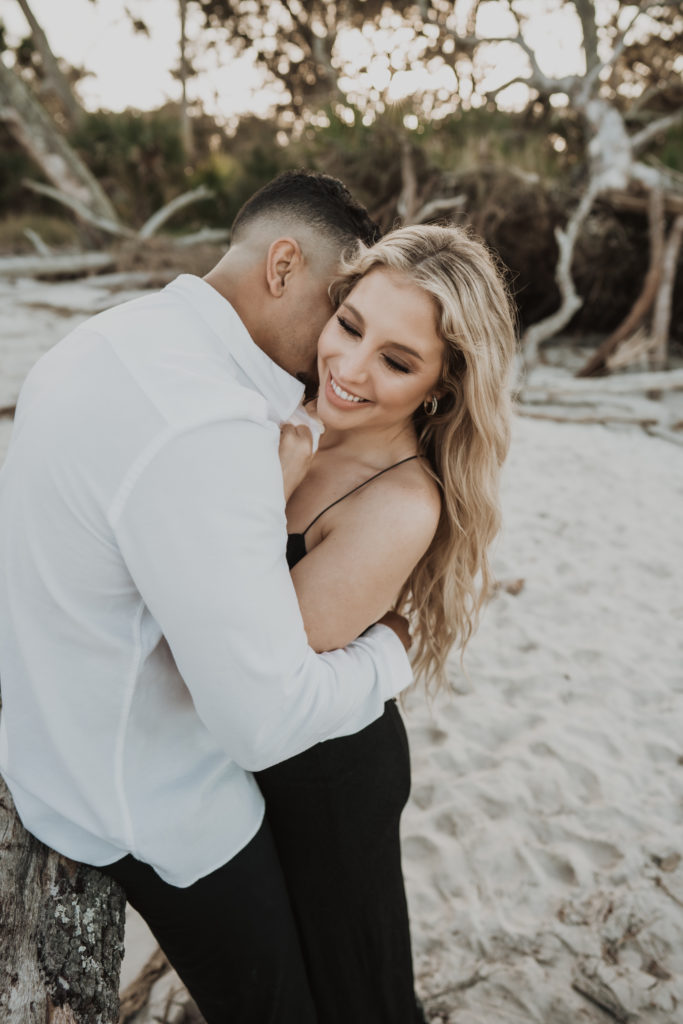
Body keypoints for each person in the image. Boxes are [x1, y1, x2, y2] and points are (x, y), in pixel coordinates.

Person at [0, 171, 415, 1024]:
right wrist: (389, 655)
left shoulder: (113, 336)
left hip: (52, 737)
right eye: (340, 310)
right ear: (282, 265)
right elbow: (258, 721)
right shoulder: (207, 423)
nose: (335, 352)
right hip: (157, 801)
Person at [257, 223, 516, 1023]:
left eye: (397, 362)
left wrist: (264, 491)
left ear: (440, 386)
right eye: (350, 325)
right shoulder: (282, 396)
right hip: (242, 766)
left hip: (325, 781)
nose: (350, 368)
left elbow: (260, 660)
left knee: (356, 995)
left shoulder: (402, 502)